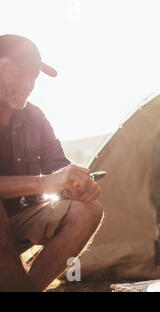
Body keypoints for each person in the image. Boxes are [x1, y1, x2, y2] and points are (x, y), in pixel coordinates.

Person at [0, 34, 104, 291]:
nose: (28, 84)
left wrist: (78, 184)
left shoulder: (35, 117)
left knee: (88, 210)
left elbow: (58, 166)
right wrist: (47, 182)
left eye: (33, 76)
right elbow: (49, 179)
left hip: (20, 218)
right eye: (18, 73)